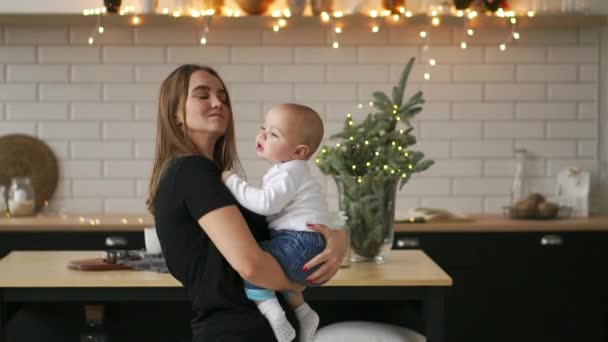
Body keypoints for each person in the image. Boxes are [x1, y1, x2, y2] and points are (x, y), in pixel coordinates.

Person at [147, 64, 348, 342]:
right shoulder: (193, 172)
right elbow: (252, 266)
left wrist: (338, 240)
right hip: (237, 332)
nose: (218, 103)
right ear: (175, 114)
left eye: (223, 96)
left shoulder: (212, 174)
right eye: (202, 95)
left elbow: (282, 237)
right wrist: (296, 283)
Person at [220, 103, 329, 342]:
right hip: (307, 243)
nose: (262, 135)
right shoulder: (290, 170)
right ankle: (304, 312)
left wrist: (232, 181)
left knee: (252, 263)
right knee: (276, 269)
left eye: (274, 134)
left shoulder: (290, 172)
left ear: (298, 152)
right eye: (263, 128)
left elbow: (265, 203)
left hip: (299, 241)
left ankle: (274, 315)